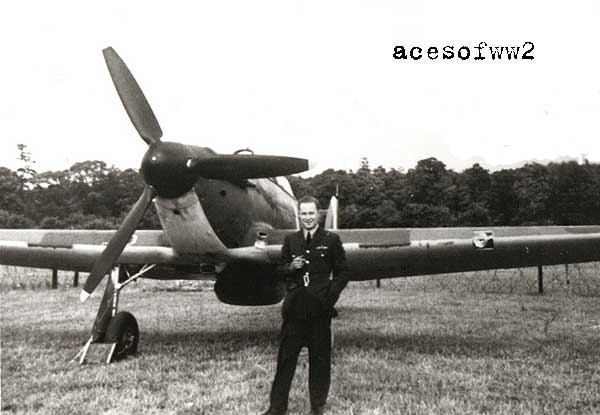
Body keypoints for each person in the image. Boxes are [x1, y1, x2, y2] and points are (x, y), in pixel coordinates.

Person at [262, 196, 349, 415]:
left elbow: (343, 272)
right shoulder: (291, 240)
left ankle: (317, 408)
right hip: (295, 310)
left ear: (318, 214)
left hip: (320, 310)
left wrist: (330, 296)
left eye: (311, 213)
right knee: (285, 361)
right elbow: (279, 270)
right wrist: (290, 266)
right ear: (298, 215)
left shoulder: (331, 240)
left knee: (320, 361)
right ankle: (276, 408)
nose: (308, 217)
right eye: (304, 213)